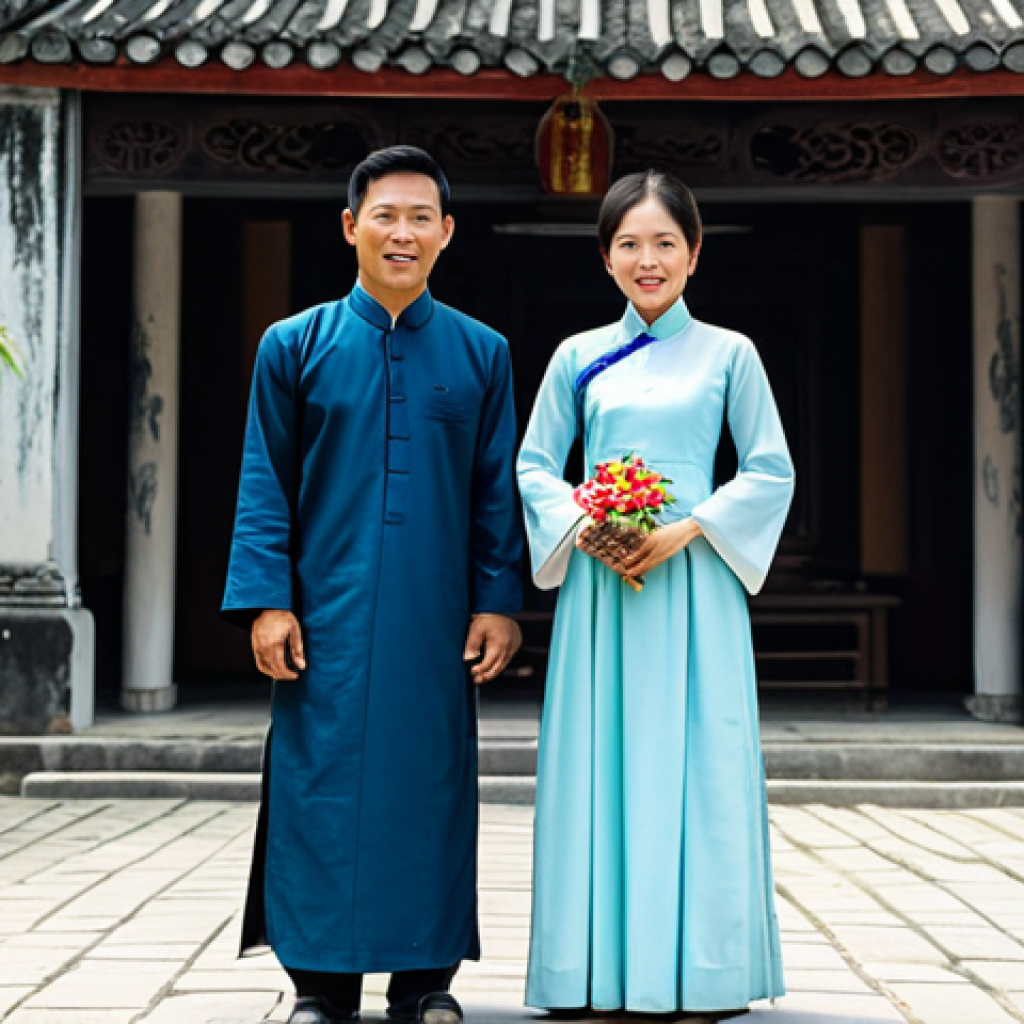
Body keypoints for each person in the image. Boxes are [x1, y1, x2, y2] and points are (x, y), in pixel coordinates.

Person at [223, 146, 523, 1024]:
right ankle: (320, 984)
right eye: (385, 216)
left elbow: (495, 488)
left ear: (446, 233)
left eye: (420, 217)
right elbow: (263, 480)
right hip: (324, 615)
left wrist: (498, 601)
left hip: (436, 620)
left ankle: (424, 981)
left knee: (429, 786)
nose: (403, 232)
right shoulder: (294, 344)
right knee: (318, 784)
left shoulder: (482, 352)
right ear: (351, 227)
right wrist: (268, 599)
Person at [517, 170, 793, 1020]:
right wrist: (597, 532)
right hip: (603, 589)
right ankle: (589, 975)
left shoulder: (730, 353)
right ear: (605, 258)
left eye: (664, 242)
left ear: (694, 253)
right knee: (597, 766)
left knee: (698, 766)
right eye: (629, 244)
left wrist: (681, 530)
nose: (648, 259)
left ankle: (702, 974)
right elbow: (533, 466)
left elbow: (769, 468)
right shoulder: (575, 356)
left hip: (695, 582)